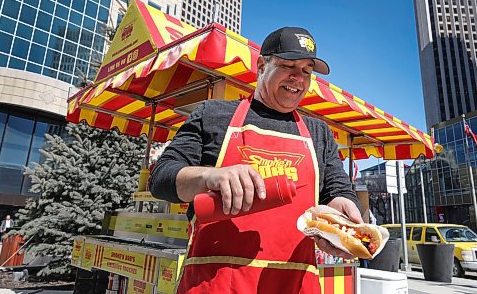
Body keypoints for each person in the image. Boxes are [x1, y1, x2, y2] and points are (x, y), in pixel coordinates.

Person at [150, 26, 363, 293]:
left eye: (306, 71)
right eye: (288, 66)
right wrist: (210, 176)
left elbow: (338, 191)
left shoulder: (319, 133)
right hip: (216, 282)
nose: (298, 78)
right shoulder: (213, 114)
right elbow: (161, 178)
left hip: (294, 284)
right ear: (261, 65)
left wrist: (344, 215)